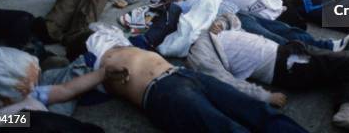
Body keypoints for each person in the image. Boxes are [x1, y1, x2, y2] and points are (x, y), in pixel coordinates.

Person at [188, 14, 349, 133]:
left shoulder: (212, 31)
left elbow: (233, 19)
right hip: (285, 68)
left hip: (287, 52)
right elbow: (225, 82)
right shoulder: (199, 52)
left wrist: (220, 22)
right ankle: (348, 109)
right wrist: (265, 97)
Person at [98, 45, 307, 132]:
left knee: (253, 108)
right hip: (161, 90)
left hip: (186, 74)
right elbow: (66, 91)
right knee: (224, 127)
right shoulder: (94, 66)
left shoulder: (127, 43)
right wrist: (104, 73)